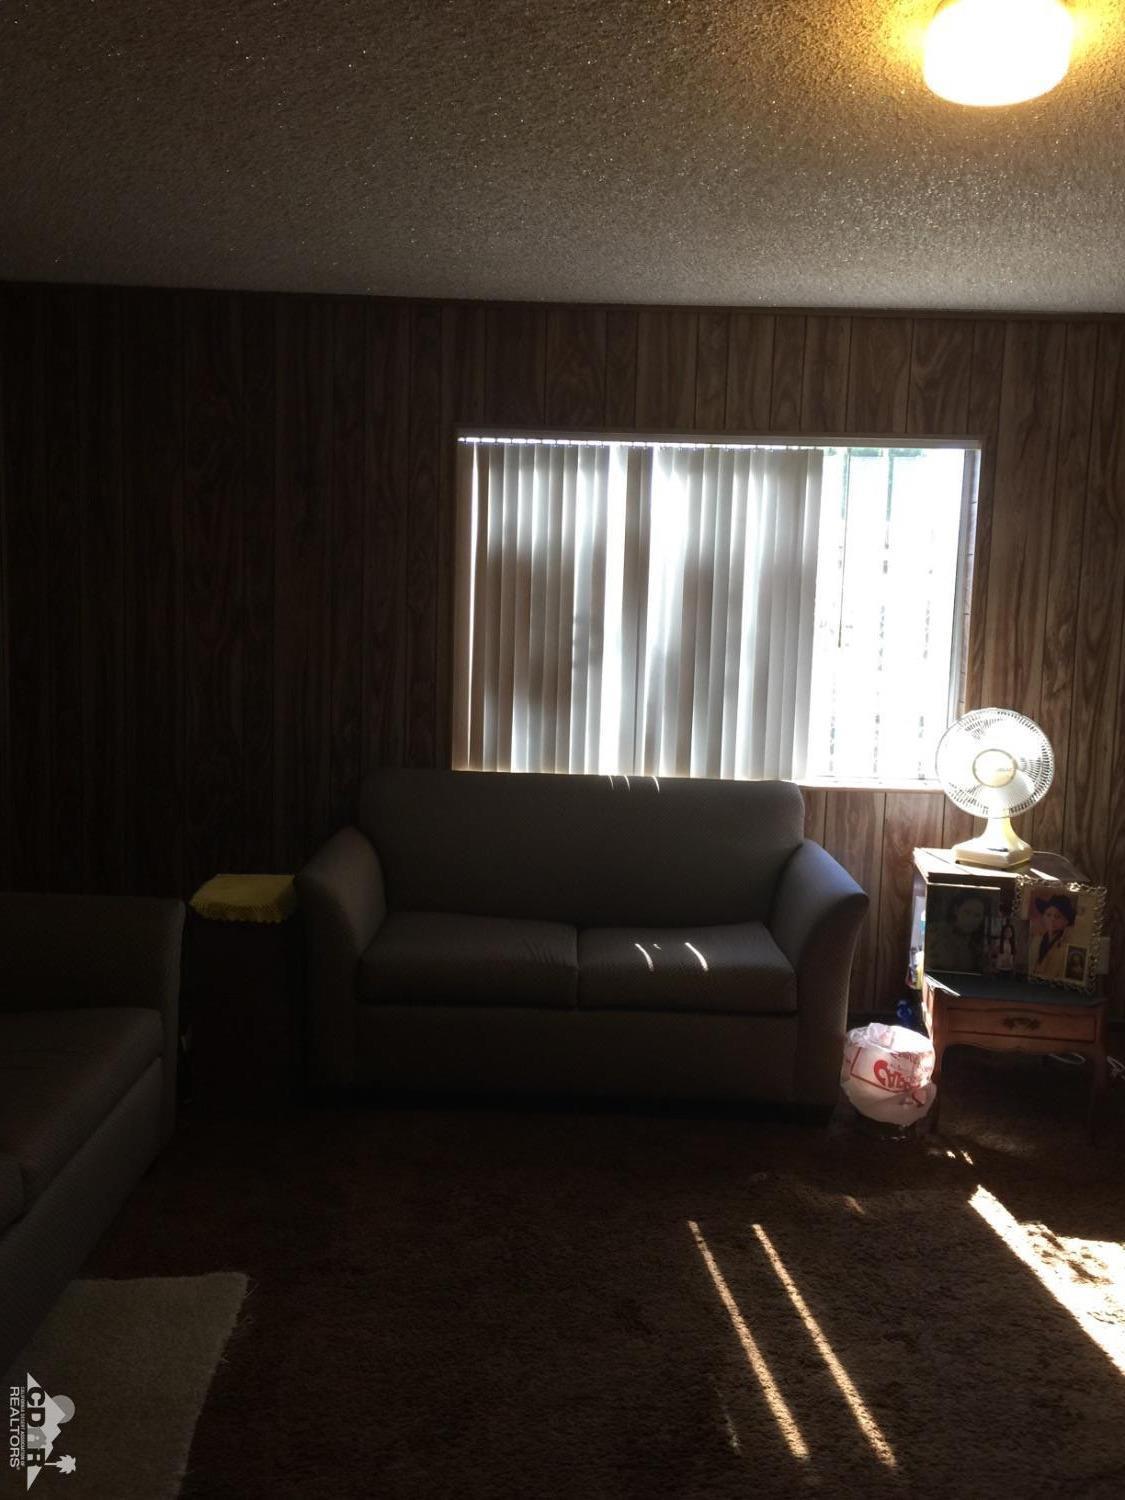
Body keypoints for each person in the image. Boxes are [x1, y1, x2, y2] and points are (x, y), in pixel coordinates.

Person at [925, 890, 989, 972]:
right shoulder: (935, 932)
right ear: (956, 910)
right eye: (967, 912)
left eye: (977, 915)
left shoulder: (979, 944)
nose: (971, 920)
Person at [1030, 894, 1077, 981]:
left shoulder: (1066, 945)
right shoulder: (1036, 940)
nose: (1052, 919)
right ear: (1043, 917)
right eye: (1048, 915)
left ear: (1066, 921)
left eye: (1058, 916)